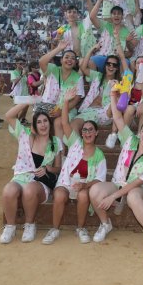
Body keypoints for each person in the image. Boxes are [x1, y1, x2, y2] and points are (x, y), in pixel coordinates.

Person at [90, 88, 143, 259]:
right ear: (140, 132)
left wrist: (113, 196)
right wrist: (112, 97)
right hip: (117, 183)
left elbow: (135, 184)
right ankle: (105, 223)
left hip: (137, 189)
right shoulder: (131, 139)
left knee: (132, 196)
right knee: (95, 191)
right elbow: (116, 117)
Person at [41, 89, 107, 245]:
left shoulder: (99, 155)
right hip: (65, 182)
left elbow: (99, 179)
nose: (87, 132)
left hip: (83, 186)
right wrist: (65, 102)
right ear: (81, 133)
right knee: (59, 195)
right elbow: (64, 123)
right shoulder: (75, 143)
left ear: (96, 133)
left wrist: (84, 185)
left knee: (83, 196)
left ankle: (81, 228)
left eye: (91, 130)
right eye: (85, 130)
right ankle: (55, 229)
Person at [0, 108, 61, 244]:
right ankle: (10, 227)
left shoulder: (55, 142)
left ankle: (30, 225)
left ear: (49, 123)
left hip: (41, 182)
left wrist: (47, 168)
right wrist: (27, 101)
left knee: (29, 189)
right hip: (21, 177)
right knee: (8, 190)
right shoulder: (25, 136)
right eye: (39, 122)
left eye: (45, 121)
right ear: (34, 125)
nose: (43, 124)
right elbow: (8, 115)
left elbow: (58, 168)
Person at [37, 41, 85, 136]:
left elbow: (76, 100)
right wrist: (59, 48)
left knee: (58, 122)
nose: (69, 60)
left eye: (72, 58)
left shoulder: (78, 78)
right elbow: (41, 61)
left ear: (75, 62)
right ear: (61, 60)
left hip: (67, 109)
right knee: (38, 121)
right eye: (66, 57)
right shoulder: (52, 69)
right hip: (47, 106)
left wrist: (62, 110)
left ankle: (60, 150)